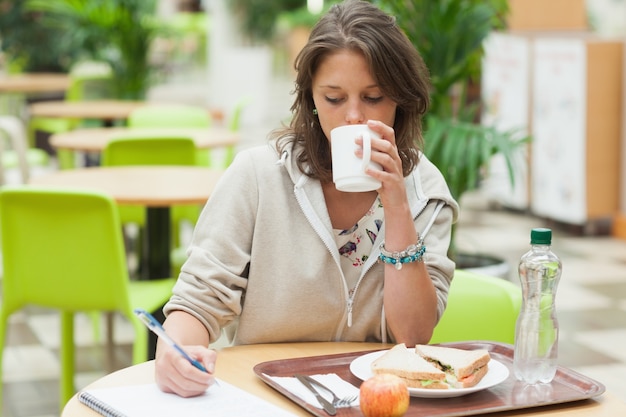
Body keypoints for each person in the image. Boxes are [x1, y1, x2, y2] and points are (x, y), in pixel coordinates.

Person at [155, 0, 459, 397]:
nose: (353, 117)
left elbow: (414, 334)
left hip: (372, 398)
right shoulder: (258, 176)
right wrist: (174, 355)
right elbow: (200, 300)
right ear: (312, 100)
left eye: (373, 97)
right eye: (334, 98)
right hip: (263, 394)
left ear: (400, 99)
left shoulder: (424, 190)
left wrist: (398, 206)